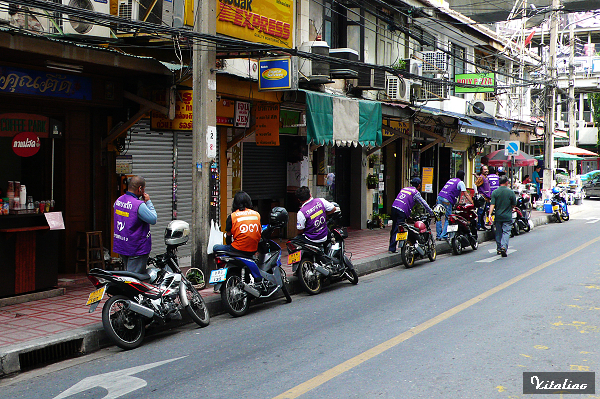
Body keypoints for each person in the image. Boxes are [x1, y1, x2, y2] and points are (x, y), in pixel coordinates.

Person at [212, 191, 268, 291]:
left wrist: (229, 247)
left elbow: (228, 236)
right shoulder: (256, 215)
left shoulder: (233, 216)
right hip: (252, 250)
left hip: (237, 249)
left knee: (216, 247)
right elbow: (259, 234)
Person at [113, 175, 157, 274]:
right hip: (136, 248)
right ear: (140, 188)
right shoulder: (138, 205)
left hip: (122, 245)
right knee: (133, 279)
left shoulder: (119, 200)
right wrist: (148, 202)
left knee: (128, 273)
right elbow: (153, 219)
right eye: (143, 189)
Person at [389, 177, 434, 253]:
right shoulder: (415, 192)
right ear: (419, 185)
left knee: (395, 227)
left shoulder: (404, 189)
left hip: (394, 208)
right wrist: (431, 213)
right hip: (401, 211)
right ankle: (393, 248)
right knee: (399, 228)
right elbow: (423, 203)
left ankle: (392, 246)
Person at [436, 170, 473, 241]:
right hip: (447, 200)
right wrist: (472, 202)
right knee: (448, 218)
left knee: (438, 217)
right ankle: (443, 236)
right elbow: (466, 194)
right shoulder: (460, 182)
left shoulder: (451, 180)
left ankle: (438, 235)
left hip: (439, 197)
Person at [489, 175, 516, 257]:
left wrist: (490, 214)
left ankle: (499, 249)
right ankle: (503, 247)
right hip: (507, 216)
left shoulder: (495, 192)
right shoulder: (511, 192)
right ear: (507, 182)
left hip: (498, 216)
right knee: (506, 232)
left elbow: (492, 204)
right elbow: (513, 204)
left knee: (498, 232)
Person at [474, 165, 491, 230]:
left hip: (486, 199)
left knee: (483, 213)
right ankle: (478, 226)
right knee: (480, 213)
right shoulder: (481, 178)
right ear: (481, 171)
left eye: (487, 169)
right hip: (482, 198)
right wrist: (477, 194)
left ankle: (482, 225)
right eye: (484, 169)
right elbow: (475, 184)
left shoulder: (486, 177)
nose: (486, 171)